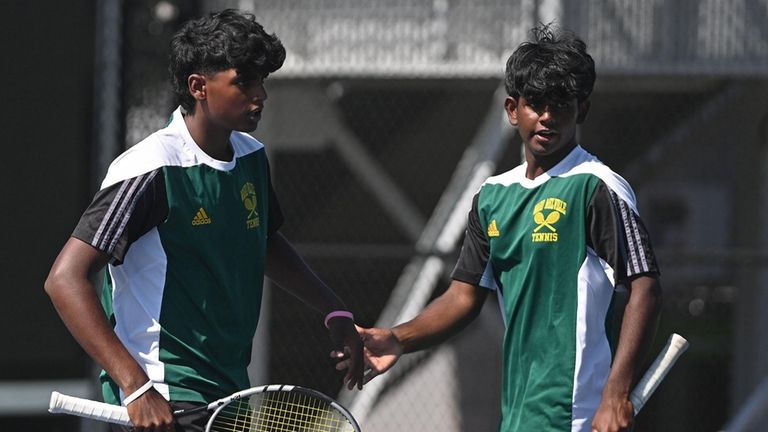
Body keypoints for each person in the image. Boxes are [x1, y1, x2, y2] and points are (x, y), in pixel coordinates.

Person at [45, 9, 364, 432]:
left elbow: (262, 239)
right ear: (198, 87)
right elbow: (64, 280)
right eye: (244, 82)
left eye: (262, 81)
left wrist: (333, 310)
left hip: (228, 390)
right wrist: (137, 387)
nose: (260, 95)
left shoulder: (251, 155)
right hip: (167, 392)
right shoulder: (150, 169)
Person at [345, 24, 662, 432]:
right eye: (536, 103)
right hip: (518, 415)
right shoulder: (493, 196)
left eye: (562, 104)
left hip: (578, 412)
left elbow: (645, 286)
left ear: (581, 109)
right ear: (513, 110)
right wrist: (398, 339)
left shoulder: (596, 186)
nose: (548, 116)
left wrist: (616, 394)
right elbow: (463, 296)